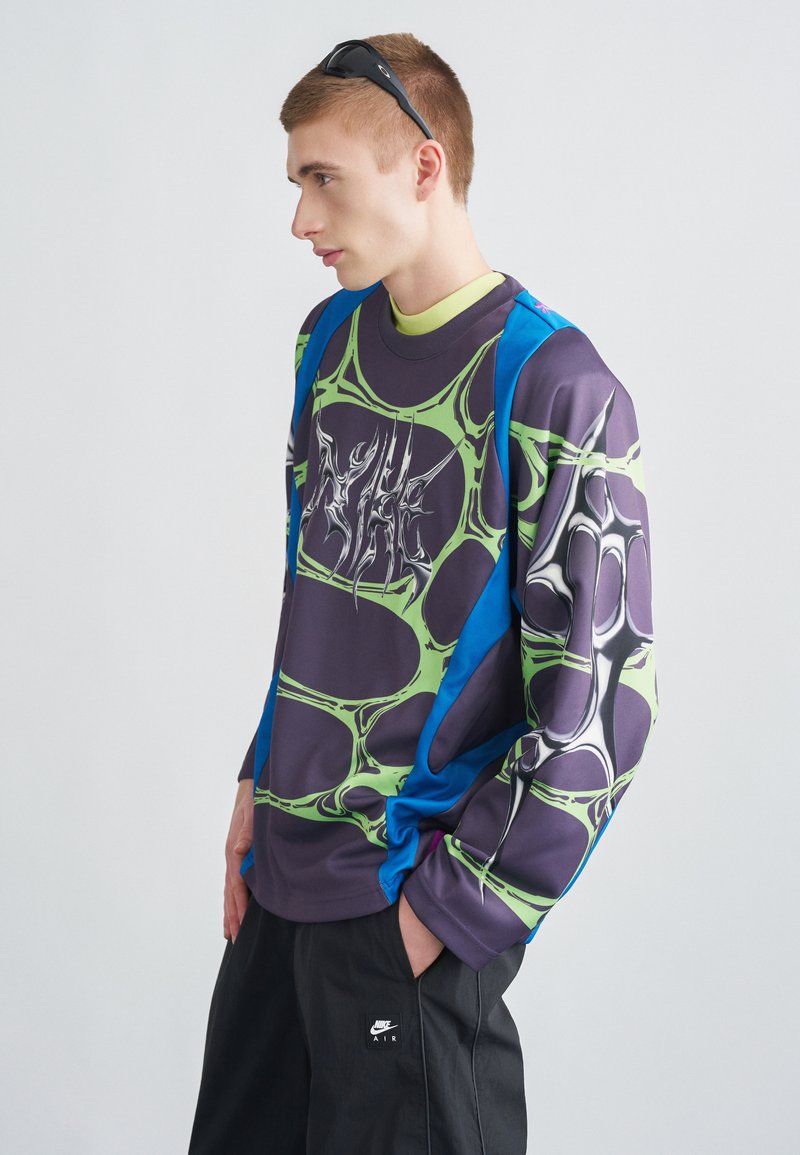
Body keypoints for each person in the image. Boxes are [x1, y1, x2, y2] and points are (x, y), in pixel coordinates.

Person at [188, 32, 659, 1155]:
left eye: (323, 179)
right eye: (295, 183)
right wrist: (260, 773)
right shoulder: (326, 344)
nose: (300, 219)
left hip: (404, 904)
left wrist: (441, 915)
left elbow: (600, 708)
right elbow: (318, 591)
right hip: (279, 888)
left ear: (423, 166)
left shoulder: (553, 385)